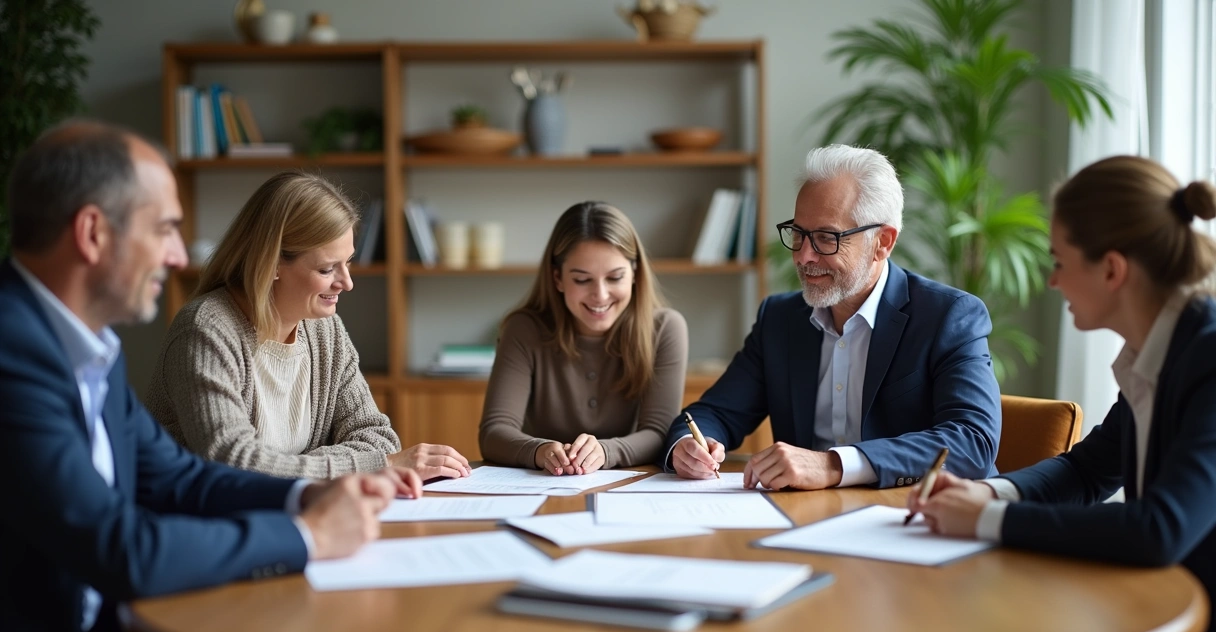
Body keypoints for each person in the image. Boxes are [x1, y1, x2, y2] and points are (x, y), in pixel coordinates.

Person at [0, 120, 422, 632]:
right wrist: (307, 533)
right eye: (163, 229)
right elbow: (121, 546)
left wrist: (304, 497)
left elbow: (181, 477)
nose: (178, 255)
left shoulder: (91, 350)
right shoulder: (13, 355)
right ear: (92, 233)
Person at [909, 156, 1216, 632]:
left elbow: (1161, 530)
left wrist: (992, 520)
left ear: (1112, 270)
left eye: (1059, 262)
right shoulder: (1156, 350)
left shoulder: (1208, 357)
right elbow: (1088, 469)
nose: (1053, 281)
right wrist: (988, 491)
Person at [664, 144, 1001, 490]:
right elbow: (713, 413)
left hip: (912, 521)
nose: (804, 256)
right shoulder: (780, 320)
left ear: (882, 242)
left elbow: (973, 443)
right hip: (806, 520)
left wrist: (834, 465)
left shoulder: (949, 317)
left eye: (827, 238)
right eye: (798, 234)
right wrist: (688, 446)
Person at [145, 171, 470, 481]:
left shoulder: (324, 332)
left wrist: (296, 468)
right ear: (271, 265)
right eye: (328, 269)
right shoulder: (206, 332)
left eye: (348, 263)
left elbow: (379, 437)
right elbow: (234, 465)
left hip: (293, 513)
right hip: (201, 527)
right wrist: (375, 466)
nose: (347, 283)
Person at [479, 201, 688, 475]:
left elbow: (659, 432)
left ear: (634, 274)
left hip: (626, 487)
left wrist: (605, 451)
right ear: (558, 278)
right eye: (582, 280)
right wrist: (540, 451)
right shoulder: (523, 329)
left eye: (615, 277)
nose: (600, 295)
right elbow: (494, 432)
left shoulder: (665, 328)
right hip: (542, 482)